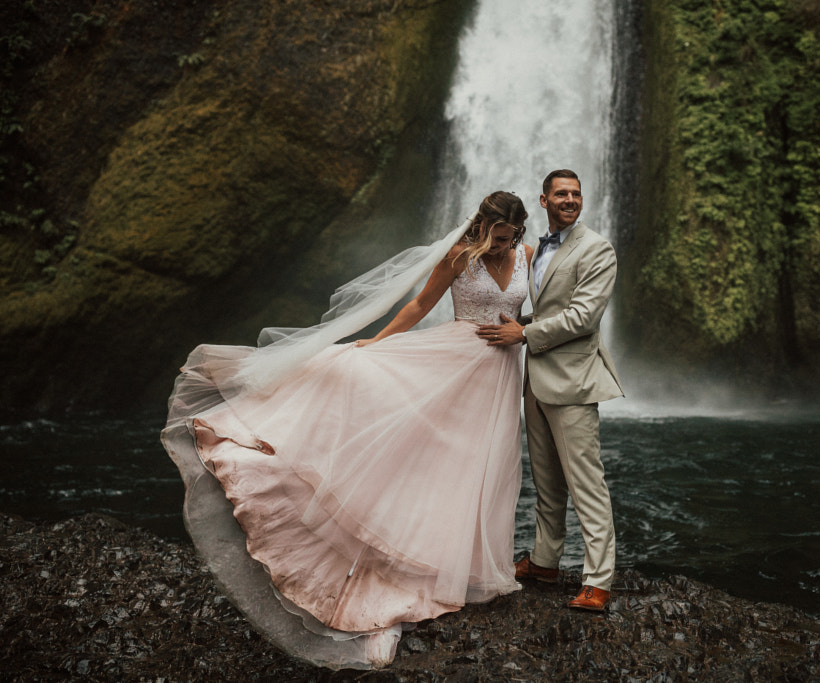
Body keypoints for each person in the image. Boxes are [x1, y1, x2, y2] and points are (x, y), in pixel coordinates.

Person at [161, 191, 533, 670]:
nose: (504, 246)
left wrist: (522, 330)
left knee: (478, 463)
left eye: (512, 237)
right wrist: (377, 343)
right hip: (454, 359)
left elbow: (540, 308)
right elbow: (421, 305)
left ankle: (464, 566)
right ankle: (402, 555)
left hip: (500, 372)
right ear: (482, 230)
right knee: (434, 456)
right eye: (498, 238)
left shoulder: (526, 255)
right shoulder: (461, 257)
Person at [478, 169, 623, 611]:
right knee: (547, 480)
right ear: (543, 201)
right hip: (535, 378)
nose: (571, 199)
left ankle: (598, 580)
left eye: (576, 194)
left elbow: (583, 317)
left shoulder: (597, 249)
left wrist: (523, 334)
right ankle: (544, 560)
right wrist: (520, 329)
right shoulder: (536, 247)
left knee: (586, 483)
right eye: (561, 193)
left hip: (574, 380)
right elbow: (546, 306)